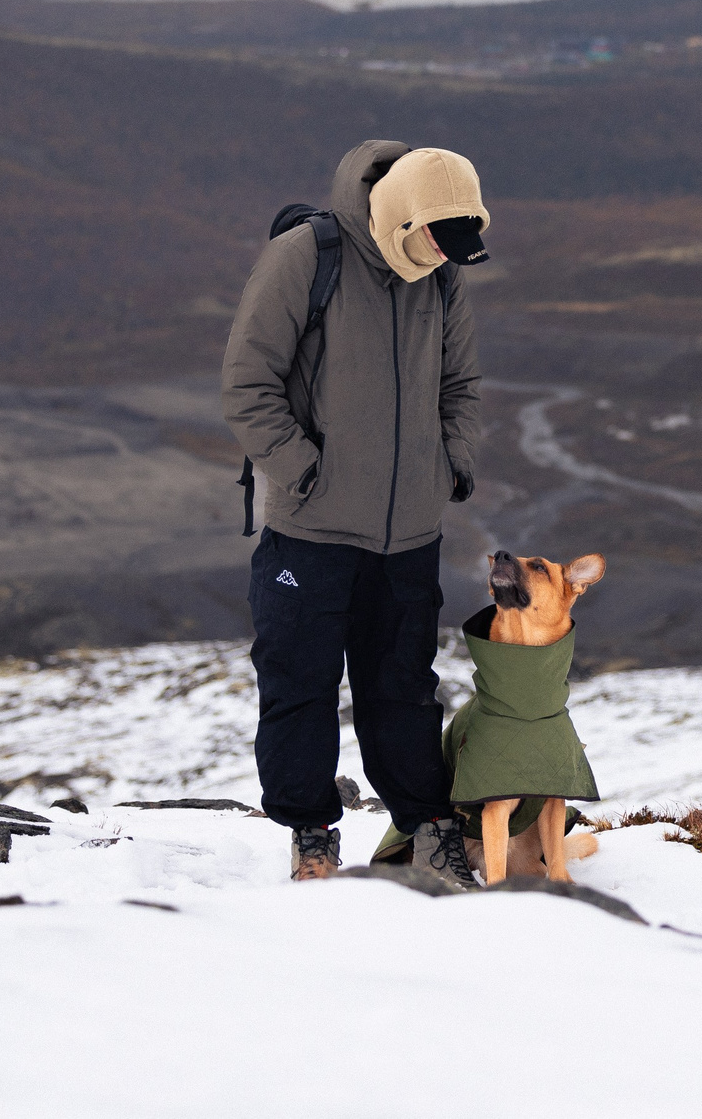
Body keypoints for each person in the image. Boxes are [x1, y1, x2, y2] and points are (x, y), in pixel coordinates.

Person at [222, 139, 490, 886]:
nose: (445, 256)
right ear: (405, 217)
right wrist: (307, 472)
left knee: (404, 690)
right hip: (310, 531)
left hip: (409, 534)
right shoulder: (308, 257)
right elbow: (247, 384)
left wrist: (450, 464)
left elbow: (461, 385)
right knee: (299, 684)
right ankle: (311, 834)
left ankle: (428, 827)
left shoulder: (441, 274)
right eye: (438, 239)